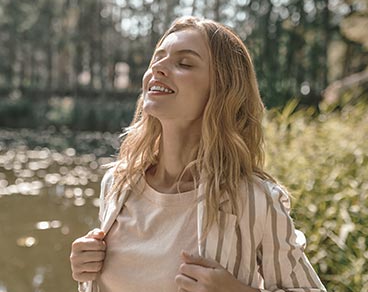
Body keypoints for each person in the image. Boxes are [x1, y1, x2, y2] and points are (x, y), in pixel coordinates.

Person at [70, 16, 326, 292]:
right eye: (158, 58)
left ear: (222, 90)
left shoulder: (255, 200)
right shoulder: (117, 182)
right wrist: (85, 270)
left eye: (184, 63)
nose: (158, 67)